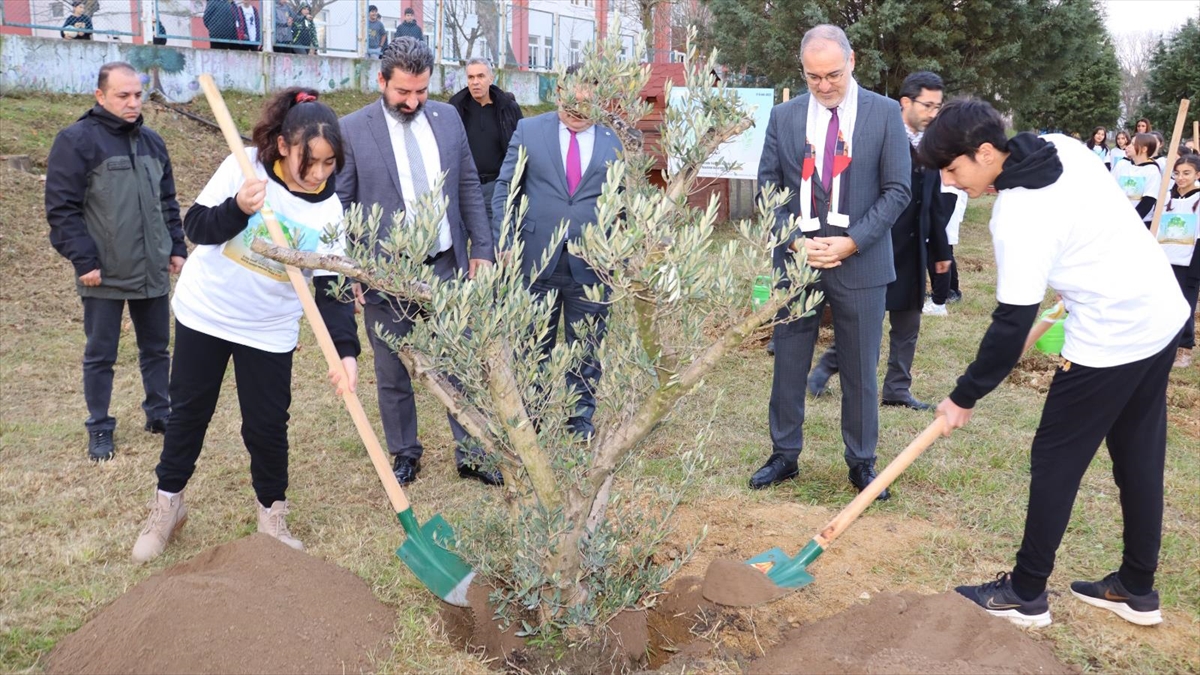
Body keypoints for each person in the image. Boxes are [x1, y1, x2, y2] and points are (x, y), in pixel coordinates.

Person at [922, 98, 1186, 629]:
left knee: (1055, 459)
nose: (949, 182)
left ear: (986, 152)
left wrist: (964, 396)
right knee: (1138, 452)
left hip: (1112, 337)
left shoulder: (1018, 216)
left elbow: (1010, 325)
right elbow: (1096, 223)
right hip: (1161, 312)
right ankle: (1137, 587)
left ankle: (1025, 592)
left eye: (951, 169)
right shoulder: (1061, 146)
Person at [131, 87, 359, 563]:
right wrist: (238, 207)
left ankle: (272, 517)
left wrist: (346, 353)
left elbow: (332, 289)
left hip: (269, 328)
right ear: (283, 146)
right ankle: (168, 506)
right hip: (208, 313)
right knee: (188, 414)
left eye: (329, 162)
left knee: (267, 426)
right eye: (309, 161)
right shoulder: (244, 167)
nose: (319, 173)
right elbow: (196, 227)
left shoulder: (329, 210)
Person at [748, 25, 912, 498]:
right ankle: (784, 454)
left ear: (852, 61)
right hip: (798, 262)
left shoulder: (884, 114)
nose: (824, 85)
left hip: (860, 262)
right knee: (789, 360)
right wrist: (796, 242)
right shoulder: (784, 116)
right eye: (813, 76)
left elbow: (897, 190)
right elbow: (768, 187)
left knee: (860, 367)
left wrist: (852, 242)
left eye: (833, 75)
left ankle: (862, 462)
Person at [337, 37, 499, 487]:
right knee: (391, 370)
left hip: (445, 265)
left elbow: (468, 184)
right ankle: (405, 452)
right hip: (385, 275)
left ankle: (471, 452)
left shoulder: (448, 119)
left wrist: (481, 249)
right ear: (381, 80)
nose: (412, 102)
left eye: (421, 91)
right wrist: (350, 269)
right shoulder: (352, 129)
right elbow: (342, 205)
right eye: (403, 92)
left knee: (459, 362)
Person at [46, 62, 187, 462]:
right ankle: (99, 427)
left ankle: (159, 413)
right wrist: (84, 260)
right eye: (123, 95)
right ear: (100, 96)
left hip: (152, 268)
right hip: (102, 272)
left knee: (157, 348)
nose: (132, 103)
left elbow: (167, 201)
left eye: (138, 95)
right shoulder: (76, 141)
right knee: (101, 354)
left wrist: (176, 247)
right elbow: (62, 210)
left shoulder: (153, 142)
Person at [807, 71, 952, 417]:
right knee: (863, 326)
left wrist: (941, 252)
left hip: (913, 252)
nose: (933, 113)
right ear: (906, 103)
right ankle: (824, 370)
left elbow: (934, 205)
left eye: (938, 106)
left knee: (908, 324)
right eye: (927, 105)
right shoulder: (879, 133)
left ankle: (897, 388)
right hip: (874, 247)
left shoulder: (931, 147)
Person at [492, 62, 623, 439]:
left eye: (586, 105)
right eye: (571, 104)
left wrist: (622, 252)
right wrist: (505, 241)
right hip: (535, 259)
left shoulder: (615, 142)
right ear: (559, 93)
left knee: (587, 344)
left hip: (593, 264)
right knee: (533, 342)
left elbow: (624, 203)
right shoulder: (529, 131)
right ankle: (531, 415)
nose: (577, 112)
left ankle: (578, 419)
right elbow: (505, 189)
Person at [450, 57, 523, 223]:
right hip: (466, 188)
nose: (475, 82)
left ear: (491, 78)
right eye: (471, 77)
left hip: (498, 187)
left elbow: (522, 147)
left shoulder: (508, 108)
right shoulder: (455, 109)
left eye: (481, 76)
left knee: (498, 236)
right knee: (463, 236)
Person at [1160, 155, 1200, 368]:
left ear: (1197, 175)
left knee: (1185, 306)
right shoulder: (1167, 197)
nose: (1181, 178)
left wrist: (1195, 269)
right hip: (1164, 260)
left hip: (1187, 264)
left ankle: (1185, 348)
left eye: (1187, 173)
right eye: (1177, 173)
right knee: (1162, 303)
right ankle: (1164, 344)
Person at [1113, 133, 1162, 228]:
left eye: (1132, 144)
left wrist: (1131, 221)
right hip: (1117, 219)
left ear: (1144, 149)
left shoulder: (1152, 170)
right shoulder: (1122, 164)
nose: (1128, 146)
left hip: (1140, 222)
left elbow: (1149, 200)